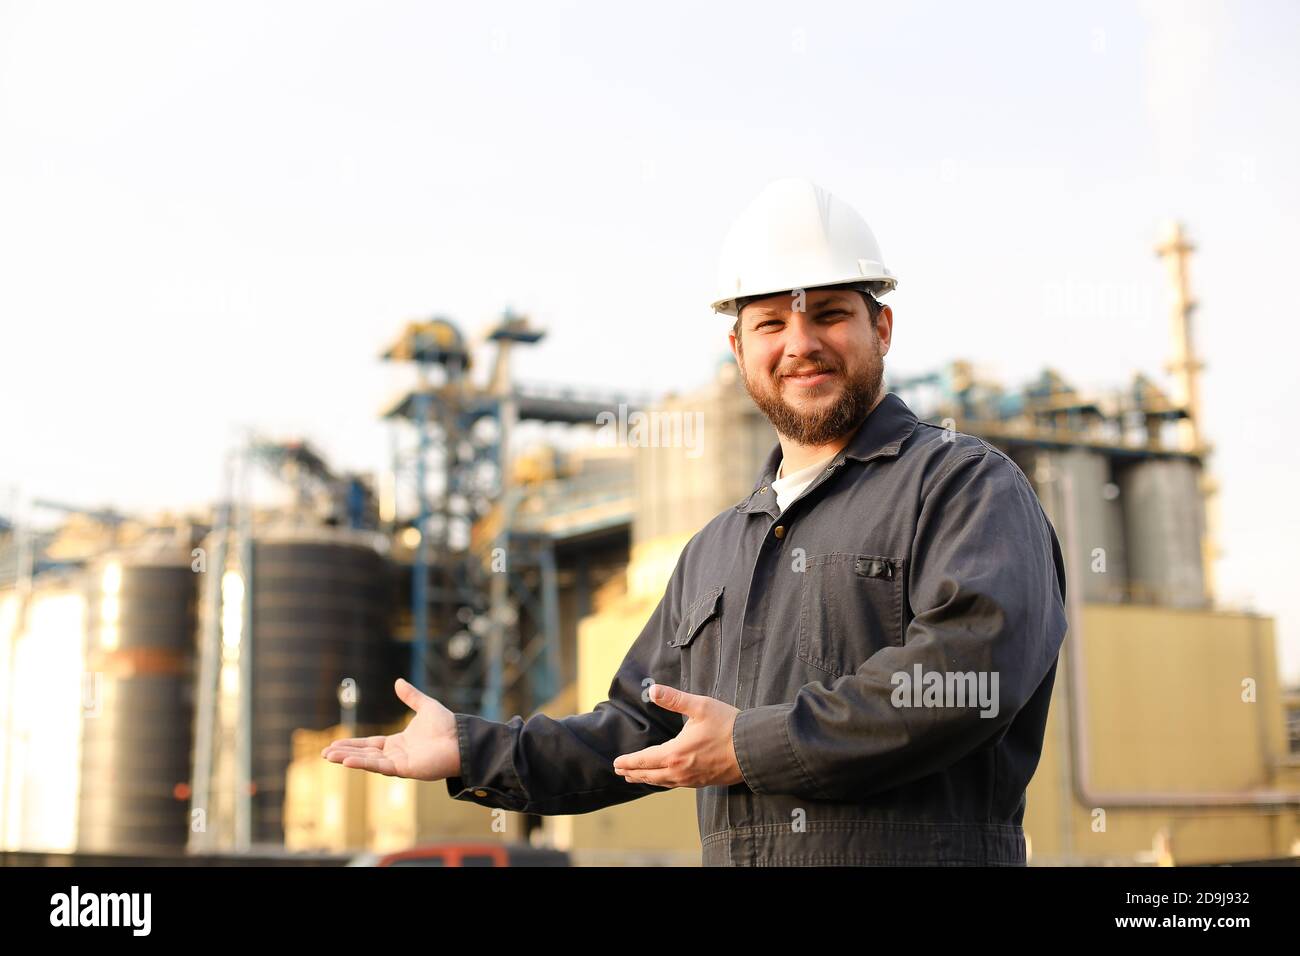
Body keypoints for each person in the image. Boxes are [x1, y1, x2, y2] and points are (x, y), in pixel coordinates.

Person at [323, 177, 1068, 866]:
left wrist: (751, 746)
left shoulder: (964, 485)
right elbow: (640, 729)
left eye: (832, 314)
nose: (801, 344)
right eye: (771, 322)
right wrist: (473, 748)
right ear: (738, 348)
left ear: (884, 328)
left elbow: (969, 676)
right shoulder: (717, 549)